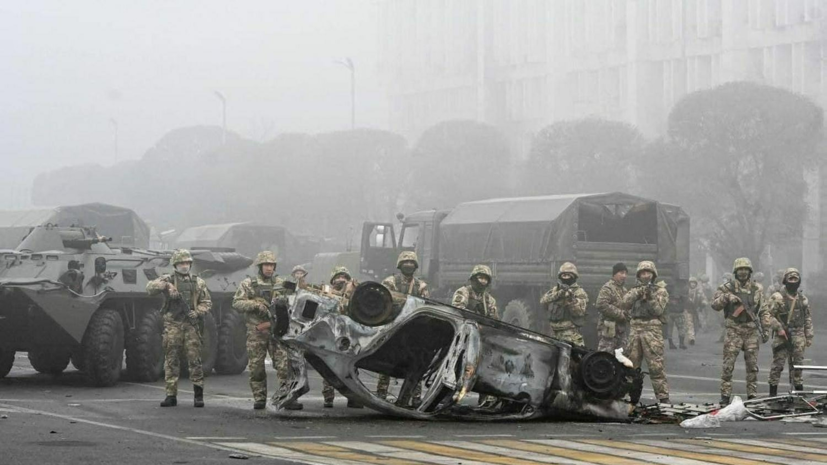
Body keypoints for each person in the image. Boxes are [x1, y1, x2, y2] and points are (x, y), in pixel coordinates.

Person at [232, 251, 301, 410]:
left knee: (284, 366)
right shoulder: (249, 284)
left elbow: (297, 296)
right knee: (256, 368)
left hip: (277, 331)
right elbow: (237, 303)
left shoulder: (281, 283)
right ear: (260, 266)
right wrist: (255, 305)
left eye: (271, 265)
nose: (269, 268)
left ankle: (288, 397)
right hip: (257, 331)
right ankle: (259, 398)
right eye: (266, 265)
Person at [147, 249, 211, 408]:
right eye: (181, 263)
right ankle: (171, 395)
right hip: (173, 324)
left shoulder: (198, 282)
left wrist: (197, 313)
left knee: (194, 359)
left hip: (191, 325)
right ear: (175, 265)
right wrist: (167, 286)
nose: (184, 266)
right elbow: (150, 288)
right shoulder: (168, 279)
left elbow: (207, 302)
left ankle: (198, 395)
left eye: (187, 263)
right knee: (171, 359)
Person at [711, 258, 771, 405]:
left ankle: (752, 396)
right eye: (740, 269)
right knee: (728, 365)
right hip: (734, 330)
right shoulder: (727, 288)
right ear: (735, 271)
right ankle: (725, 396)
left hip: (751, 330)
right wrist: (727, 297)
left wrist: (766, 329)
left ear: (750, 272)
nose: (743, 272)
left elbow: (764, 310)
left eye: (746, 269)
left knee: (752, 366)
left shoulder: (757, 289)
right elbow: (714, 305)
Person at [377, 251, 430, 404]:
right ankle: (381, 394)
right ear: (400, 265)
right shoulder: (390, 282)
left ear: (415, 266)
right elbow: (383, 301)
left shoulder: (421, 286)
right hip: (392, 327)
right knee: (386, 361)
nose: (408, 265)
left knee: (416, 362)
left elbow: (426, 305)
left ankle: (415, 397)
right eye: (406, 262)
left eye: (411, 263)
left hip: (414, 330)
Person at [621, 261, 671, 404]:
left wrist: (650, 297)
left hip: (652, 329)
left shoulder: (660, 291)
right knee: (631, 365)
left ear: (653, 274)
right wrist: (638, 293)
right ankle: (631, 397)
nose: (645, 275)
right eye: (642, 273)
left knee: (656, 365)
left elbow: (658, 310)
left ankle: (663, 397)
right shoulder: (634, 289)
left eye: (648, 272)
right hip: (635, 328)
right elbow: (624, 303)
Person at [767, 268, 814, 396]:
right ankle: (772, 395)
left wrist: (809, 335)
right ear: (785, 280)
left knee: (797, 367)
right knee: (778, 366)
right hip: (782, 336)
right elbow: (767, 316)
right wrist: (779, 328)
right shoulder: (777, 297)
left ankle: (798, 395)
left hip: (798, 335)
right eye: (790, 279)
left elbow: (807, 318)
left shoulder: (802, 299)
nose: (793, 281)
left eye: (795, 279)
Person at [324, 266, 363, 408]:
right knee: (328, 365)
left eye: (345, 277)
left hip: (349, 335)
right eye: (338, 277)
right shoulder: (326, 292)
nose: (341, 280)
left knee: (352, 368)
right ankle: (328, 398)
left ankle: (353, 398)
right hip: (331, 334)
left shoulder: (354, 293)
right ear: (333, 280)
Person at [541, 262, 589, 346]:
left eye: (568, 275)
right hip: (553, 333)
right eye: (564, 275)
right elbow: (543, 301)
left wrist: (570, 300)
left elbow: (580, 311)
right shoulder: (556, 290)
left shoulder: (579, 292)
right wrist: (559, 294)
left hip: (569, 333)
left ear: (574, 277)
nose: (566, 277)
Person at [595, 262, 629, 353]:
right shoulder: (608, 288)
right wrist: (620, 314)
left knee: (622, 358)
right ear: (614, 274)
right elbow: (601, 304)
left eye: (626, 273)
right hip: (608, 331)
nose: (624, 276)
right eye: (621, 273)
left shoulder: (624, 290)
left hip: (621, 331)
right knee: (606, 357)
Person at [684, 276, 707, 345]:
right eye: (691, 283)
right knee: (689, 324)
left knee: (696, 325)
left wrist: (703, 303)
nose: (693, 284)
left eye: (694, 283)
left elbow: (704, 299)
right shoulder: (686, 291)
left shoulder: (699, 291)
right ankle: (691, 338)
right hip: (688, 310)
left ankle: (693, 336)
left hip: (697, 310)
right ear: (689, 283)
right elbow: (683, 299)